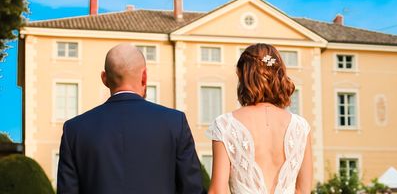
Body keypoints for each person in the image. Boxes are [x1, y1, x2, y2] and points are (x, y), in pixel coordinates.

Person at [57, 43, 204, 194]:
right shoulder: (174, 122)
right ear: (144, 76)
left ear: (104, 79)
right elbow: (192, 189)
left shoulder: (74, 130)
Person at [206, 43, 313, 194]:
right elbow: (302, 190)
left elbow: (217, 190)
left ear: (243, 77)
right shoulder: (301, 126)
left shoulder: (225, 125)